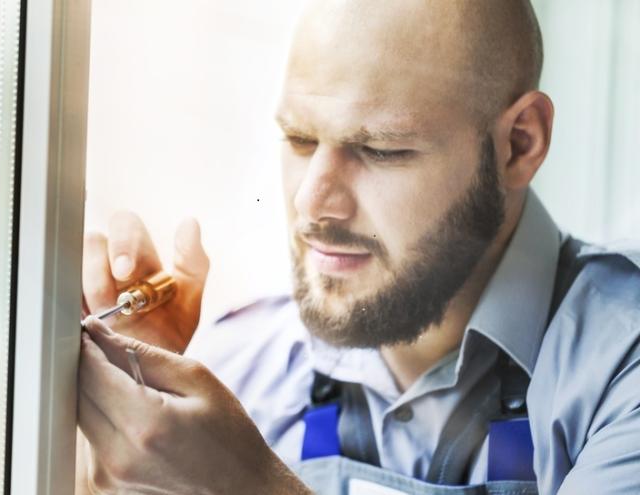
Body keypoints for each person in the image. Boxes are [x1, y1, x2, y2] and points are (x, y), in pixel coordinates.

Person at [76, 0, 640, 493]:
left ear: (520, 144)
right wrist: (103, 435)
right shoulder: (239, 366)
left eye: (380, 150)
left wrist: (246, 488)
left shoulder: (620, 374)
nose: (312, 204)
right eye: (299, 139)